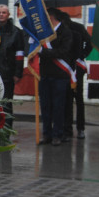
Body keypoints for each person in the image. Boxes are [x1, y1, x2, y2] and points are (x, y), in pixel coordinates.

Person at [36, 8, 74, 146]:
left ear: (52, 17)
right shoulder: (45, 33)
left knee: (58, 106)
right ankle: (47, 134)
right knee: (45, 106)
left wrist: (43, 52)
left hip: (60, 75)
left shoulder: (66, 32)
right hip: (45, 73)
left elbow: (63, 52)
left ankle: (58, 134)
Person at [60, 11, 92, 141]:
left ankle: (80, 128)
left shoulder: (78, 28)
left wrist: (82, 55)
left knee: (77, 99)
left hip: (76, 68)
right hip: (65, 67)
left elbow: (89, 44)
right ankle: (68, 128)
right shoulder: (59, 30)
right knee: (67, 99)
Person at [0, 4, 24, 125]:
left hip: (8, 73)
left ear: (8, 14)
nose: (1, 15)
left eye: (4, 12)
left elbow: (20, 54)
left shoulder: (16, 32)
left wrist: (18, 72)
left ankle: (6, 128)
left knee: (6, 103)